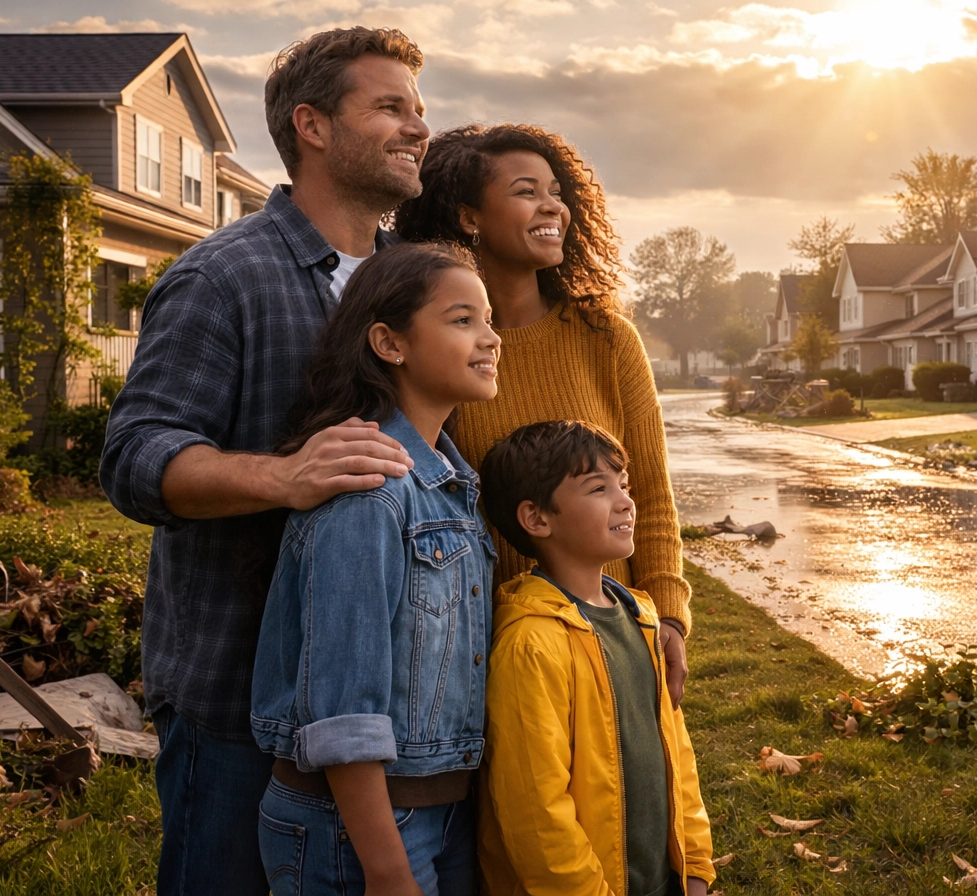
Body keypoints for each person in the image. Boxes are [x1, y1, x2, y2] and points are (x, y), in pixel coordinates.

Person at [99, 26, 428, 896]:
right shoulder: (223, 277)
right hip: (238, 701)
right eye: (390, 107)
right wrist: (283, 477)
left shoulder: (415, 283)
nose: (417, 127)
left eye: (418, 108)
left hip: (386, 700)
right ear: (312, 126)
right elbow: (136, 456)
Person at [394, 125, 693, 708]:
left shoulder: (606, 338)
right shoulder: (439, 349)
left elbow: (653, 495)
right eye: (527, 191)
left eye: (556, 191)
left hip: (611, 637)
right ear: (469, 216)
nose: (553, 205)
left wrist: (668, 616)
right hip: (484, 647)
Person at [252, 243, 499, 896]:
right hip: (359, 829)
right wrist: (387, 870)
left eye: (489, 319)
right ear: (390, 343)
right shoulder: (371, 492)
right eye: (463, 320)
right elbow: (343, 709)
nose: (491, 338)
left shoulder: (448, 484)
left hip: (441, 811)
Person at [475, 420, 714, 896]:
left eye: (623, 485)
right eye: (599, 488)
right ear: (537, 519)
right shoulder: (531, 644)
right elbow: (536, 811)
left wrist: (694, 867)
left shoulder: (641, 617)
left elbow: (678, 758)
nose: (625, 501)